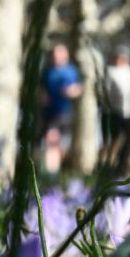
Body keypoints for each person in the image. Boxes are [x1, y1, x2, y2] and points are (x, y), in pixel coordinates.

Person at [42, 43, 83, 174]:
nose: (56, 56)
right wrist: (43, 97)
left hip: (65, 112)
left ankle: (58, 169)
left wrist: (71, 92)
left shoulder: (71, 71)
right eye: (54, 54)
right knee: (51, 139)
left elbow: (79, 88)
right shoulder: (48, 71)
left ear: (66, 55)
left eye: (59, 53)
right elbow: (41, 90)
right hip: (50, 112)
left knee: (61, 144)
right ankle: (51, 172)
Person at [101, 46, 130, 164]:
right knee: (110, 140)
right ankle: (105, 163)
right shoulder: (110, 71)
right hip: (112, 111)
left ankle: (117, 162)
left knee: (123, 140)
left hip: (128, 111)